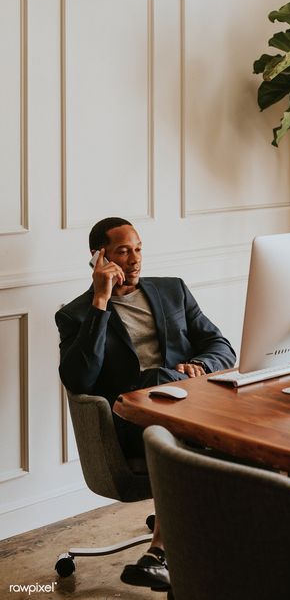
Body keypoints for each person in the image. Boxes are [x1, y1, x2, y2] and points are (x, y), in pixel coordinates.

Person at [55, 217, 236, 591]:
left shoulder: (173, 291)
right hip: (129, 422)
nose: (135, 259)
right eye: (123, 251)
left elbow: (221, 347)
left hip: (189, 411)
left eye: (138, 248)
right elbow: (79, 379)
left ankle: (160, 554)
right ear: (99, 257)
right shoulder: (76, 314)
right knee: (157, 382)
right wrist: (100, 301)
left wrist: (199, 366)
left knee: (195, 429)